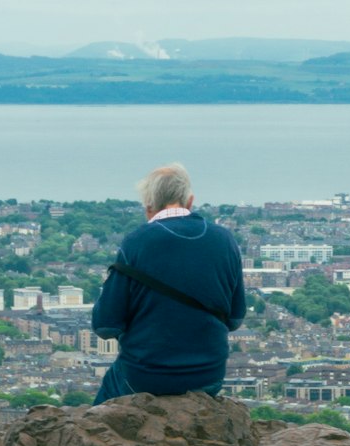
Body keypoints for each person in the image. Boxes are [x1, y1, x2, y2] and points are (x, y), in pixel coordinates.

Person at [91, 162, 246, 405]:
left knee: (100, 412)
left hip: (147, 378)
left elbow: (105, 325)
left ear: (148, 206)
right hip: (207, 378)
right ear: (190, 201)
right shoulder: (225, 240)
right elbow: (235, 319)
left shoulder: (136, 242)